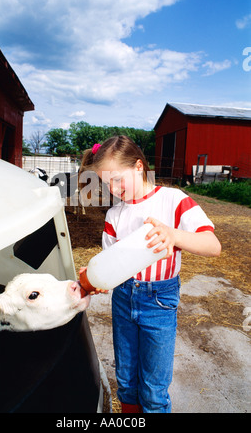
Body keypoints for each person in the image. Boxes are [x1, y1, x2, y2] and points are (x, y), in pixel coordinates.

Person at [79, 135, 221, 413]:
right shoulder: (114, 215)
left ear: (139, 167)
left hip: (159, 300)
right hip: (123, 299)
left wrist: (173, 234)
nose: (114, 188)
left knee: (154, 390)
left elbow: (212, 245)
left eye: (118, 179)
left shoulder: (173, 200)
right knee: (127, 383)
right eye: (107, 183)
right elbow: (112, 267)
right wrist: (95, 279)